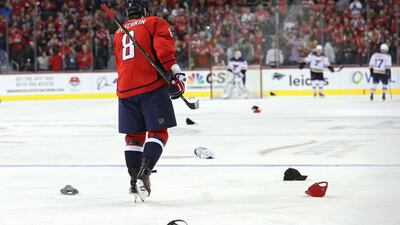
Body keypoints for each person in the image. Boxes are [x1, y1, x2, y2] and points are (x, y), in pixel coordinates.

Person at [113, 0, 186, 202]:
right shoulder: (154, 22)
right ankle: (144, 173)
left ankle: (133, 181)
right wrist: (176, 76)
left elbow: (120, 62)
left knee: (133, 136)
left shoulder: (118, 32)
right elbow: (164, 52)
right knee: (158, 132)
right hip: (151, 85)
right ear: (145, 10)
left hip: (125, 89)